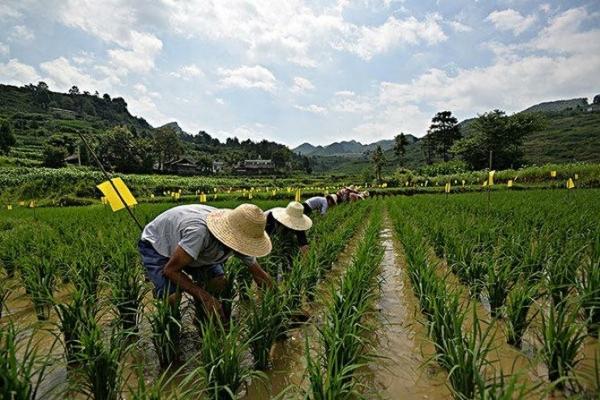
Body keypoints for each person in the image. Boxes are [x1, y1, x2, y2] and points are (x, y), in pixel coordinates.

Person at [138, 203, 273, 320]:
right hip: (159, 245)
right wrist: (206, 298)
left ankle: (201, 319)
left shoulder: (242, 234)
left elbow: (259, 274)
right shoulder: (199, 232)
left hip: (194, 249)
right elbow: (171, 270)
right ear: (230, 234)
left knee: (219, 283)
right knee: (172, 297)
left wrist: (277, 302)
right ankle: (171, 332)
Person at [263, 202, 313, 279]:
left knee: (289, 251)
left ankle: (287, 273)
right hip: (264, 232)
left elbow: (304, 245)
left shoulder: (298, 223)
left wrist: (306, 267)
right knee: (271, 261)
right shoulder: (270, 219)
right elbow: (266, 244)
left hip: (280, 234)